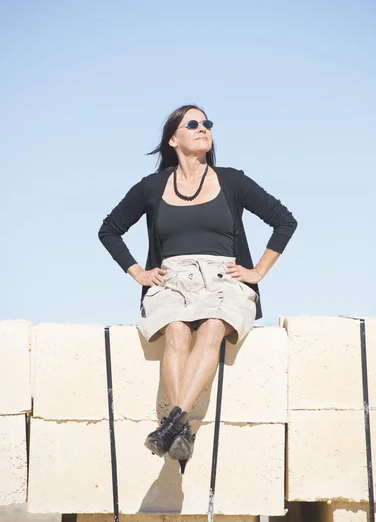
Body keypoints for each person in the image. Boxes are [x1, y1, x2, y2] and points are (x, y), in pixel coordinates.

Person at [98, 104, 298, 473]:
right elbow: (109, 229)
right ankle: (181, 431)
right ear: (173, 138)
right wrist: (138, 272)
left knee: (212, 328)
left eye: (207, 123)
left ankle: (172, 425)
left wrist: (258, 271)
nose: (203, 128)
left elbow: (284, 221)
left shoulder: (233, 181)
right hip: (171, 279)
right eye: (193, 124)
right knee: (175, 330)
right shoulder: (152, 187)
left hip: (224, 278)